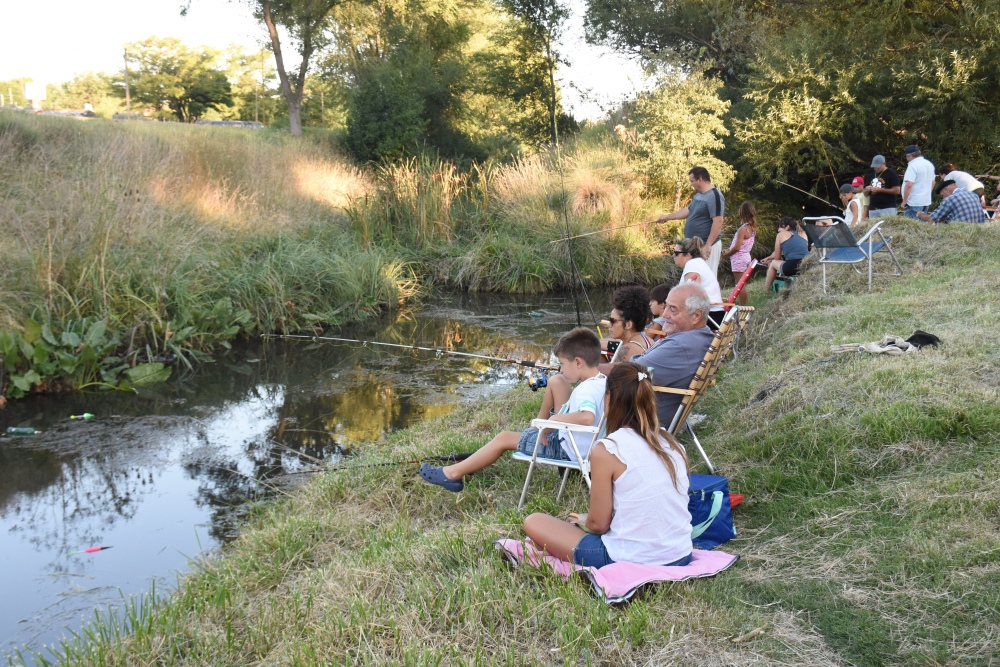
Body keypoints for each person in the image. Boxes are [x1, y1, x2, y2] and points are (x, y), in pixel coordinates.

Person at [522, 362, 693, 568]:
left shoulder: (608, 449)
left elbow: (599, 525)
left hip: (630, 557)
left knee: (534, 521)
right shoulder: (672, 444)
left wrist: (587, 522)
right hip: (681, 553)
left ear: (609, 398)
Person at [419, 327, 606, 492]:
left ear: (578, 362)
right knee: (557, 382)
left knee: (504, 438)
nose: (561, 369)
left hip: (565, 448)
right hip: (582, 445)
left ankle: (452, 474)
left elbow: (587, 417)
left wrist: (551, 422)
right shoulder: (602, 382)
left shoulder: (585, 390)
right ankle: (533, 432)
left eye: (563, 364)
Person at [628, 283, 716, 428]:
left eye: (673, 309)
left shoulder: (681, 346)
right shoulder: (701, 336)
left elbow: (631, 373)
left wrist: (592, 369)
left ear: (696, 316)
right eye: (666, 306)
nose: (664, 314)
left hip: (641, 419)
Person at [652, 166, 726, 274]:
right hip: (695, 246)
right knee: (694, 277)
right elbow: (688, 210)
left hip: (707, 245)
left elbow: (718, 221)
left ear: (700, 179)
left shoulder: (714, 196)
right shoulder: (699, 195)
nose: (691, 184)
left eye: (692, 181)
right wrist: (666, 217)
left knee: (706, 277)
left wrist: (708, 245)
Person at [672, 237, 725, 328]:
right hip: (713, 315)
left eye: (676, 253)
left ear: (687, 255)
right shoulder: (698, 263)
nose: (673, 255)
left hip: (708, 318)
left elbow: (691, 295)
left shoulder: (692, 265)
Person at [602, 286, 654, 361]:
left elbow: (612, 372)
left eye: (612, 321)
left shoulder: (627, 351)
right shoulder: (647, 340)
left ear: (628, 325)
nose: (609, 324)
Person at [721, 201, 758, 305]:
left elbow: (737, 247)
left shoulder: (743, 229)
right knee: (741, 284)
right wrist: (729, 249)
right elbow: (742, 246)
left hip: (739, 259)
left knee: (740, 285)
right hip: (746, 257)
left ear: (742, 213)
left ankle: (742, 307)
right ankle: (742, 305)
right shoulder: (752, 228)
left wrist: (727, 254)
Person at [762, 217, 809, 292]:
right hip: (806, 265)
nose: (778, 230)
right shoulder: (803, 233)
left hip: (791, 267)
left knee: (773, 263)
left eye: (780, 227)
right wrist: (769, 257)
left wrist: (771, 260)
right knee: (780, 262)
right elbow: (796, 250)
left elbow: (777, 258)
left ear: (787, 227)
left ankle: (766, 290)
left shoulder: (780, 235)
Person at [916, 180, 987, 224]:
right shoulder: (973, 194)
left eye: (942, 195)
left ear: (947, 190)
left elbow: (932, 219)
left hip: (962, 232)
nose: (943, 198)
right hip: (979, 230)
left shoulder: (950, 199)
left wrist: (920, 214)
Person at [901, 145, 935, 219]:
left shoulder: (913, 166)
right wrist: (926, 193)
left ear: (909, 156)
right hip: (926, 201)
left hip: (913, 202)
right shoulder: (929, 164)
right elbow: (933, 183)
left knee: (912, 227)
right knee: (922, 226)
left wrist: (904, 201)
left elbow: (909, 185)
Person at [864, 155, 901, 219]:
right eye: (874, 167)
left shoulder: (891, 173)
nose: (876, 168)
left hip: (888, 207)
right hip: (873, 208)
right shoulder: (871, 175)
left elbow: (897, 190)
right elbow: (865, 194)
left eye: (878, 166)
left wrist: (880, 190)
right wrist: (867, 189)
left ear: (884, 164)